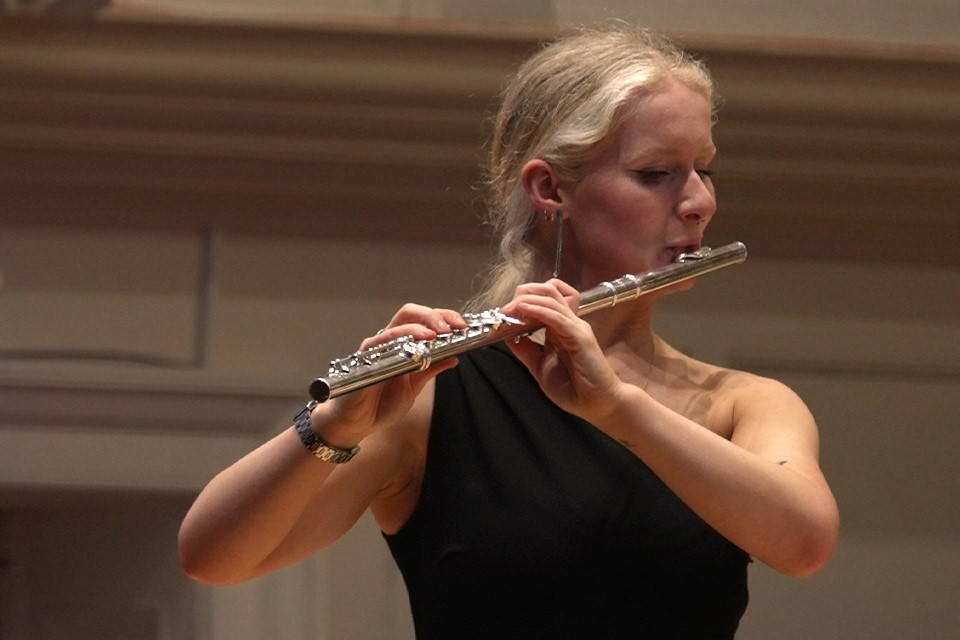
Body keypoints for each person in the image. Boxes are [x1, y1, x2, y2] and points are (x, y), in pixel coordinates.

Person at [178, 26, 839, 639]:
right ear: (552, 188)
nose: (700, 202)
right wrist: (334, 428)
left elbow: (804, 544)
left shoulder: (740, 404)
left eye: (705, 168)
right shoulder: (436, 400)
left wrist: (621, 410)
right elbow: (214, 558)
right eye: (656, 173)